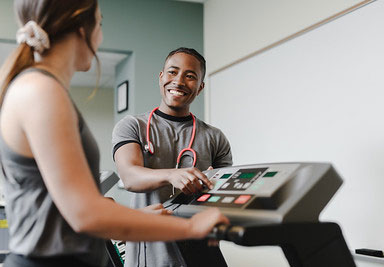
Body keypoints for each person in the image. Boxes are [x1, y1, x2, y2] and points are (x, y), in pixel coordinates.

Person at [0, 1, 229, 267]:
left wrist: (136, 216)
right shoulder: (41, 91)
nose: (101, 35)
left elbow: (65, 208)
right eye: (100, 24)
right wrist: (191, 228)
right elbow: (85, 215)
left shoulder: (40, 88)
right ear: (82, 29)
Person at [112, 47, 233, 266]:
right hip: (150, 251)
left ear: (200, 87)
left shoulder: (215, 137)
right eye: (172, 72)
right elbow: (130, 176)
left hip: (200, 249)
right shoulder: (132, 126)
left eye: (190, 76)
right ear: (161, 77)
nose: (178, 81)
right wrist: (172, 175)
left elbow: (225, 197)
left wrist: (213, 186)